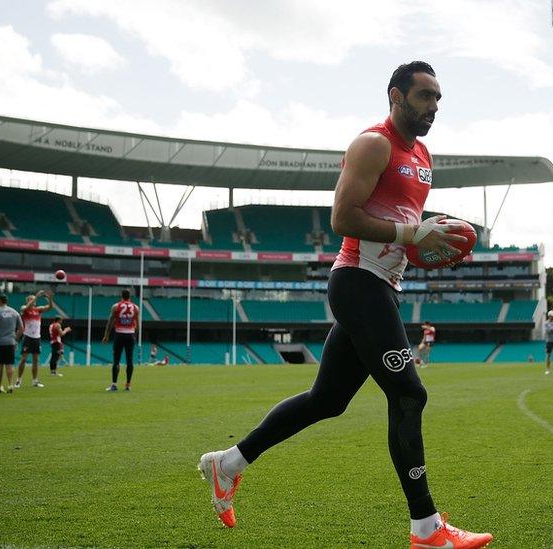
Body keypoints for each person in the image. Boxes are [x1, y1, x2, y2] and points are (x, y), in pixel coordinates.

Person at [196, 62, 492, 548]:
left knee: (327, 401)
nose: (434, 107)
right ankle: (427, 530)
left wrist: (427, 235)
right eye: (424, 96)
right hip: (357, 281)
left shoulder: (423, 156)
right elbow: (343, 217)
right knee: (409, 395)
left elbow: (403, 223)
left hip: (382, 286)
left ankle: (227, 464)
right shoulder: (372, 144)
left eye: (438, 98)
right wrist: (410, 231)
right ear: (395, 95)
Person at [101, 289, 139, 392]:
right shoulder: (136, 307)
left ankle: (114, 384)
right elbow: (137, 324)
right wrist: (135, 336)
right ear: (129, 296)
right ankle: (128, 385)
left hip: (119, 334)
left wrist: (106, 335)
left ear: (121, 296)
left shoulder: (115, 306)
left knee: (116, 361)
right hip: (130, 334)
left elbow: (110, 322)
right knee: (129, 360)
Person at [16, 290, 54, 388]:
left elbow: (50, 307)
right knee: (23, 359)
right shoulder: (24, 308)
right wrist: (36, 296)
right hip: (27, 337)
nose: (34, 301)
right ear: (28, 301)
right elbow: (27, 307)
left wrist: (50, 299)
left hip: (37, 338)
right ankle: (18, 380)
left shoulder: (38, 310)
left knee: (36, 360)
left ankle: (35, 381)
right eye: (31, 299)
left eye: (34, 299)